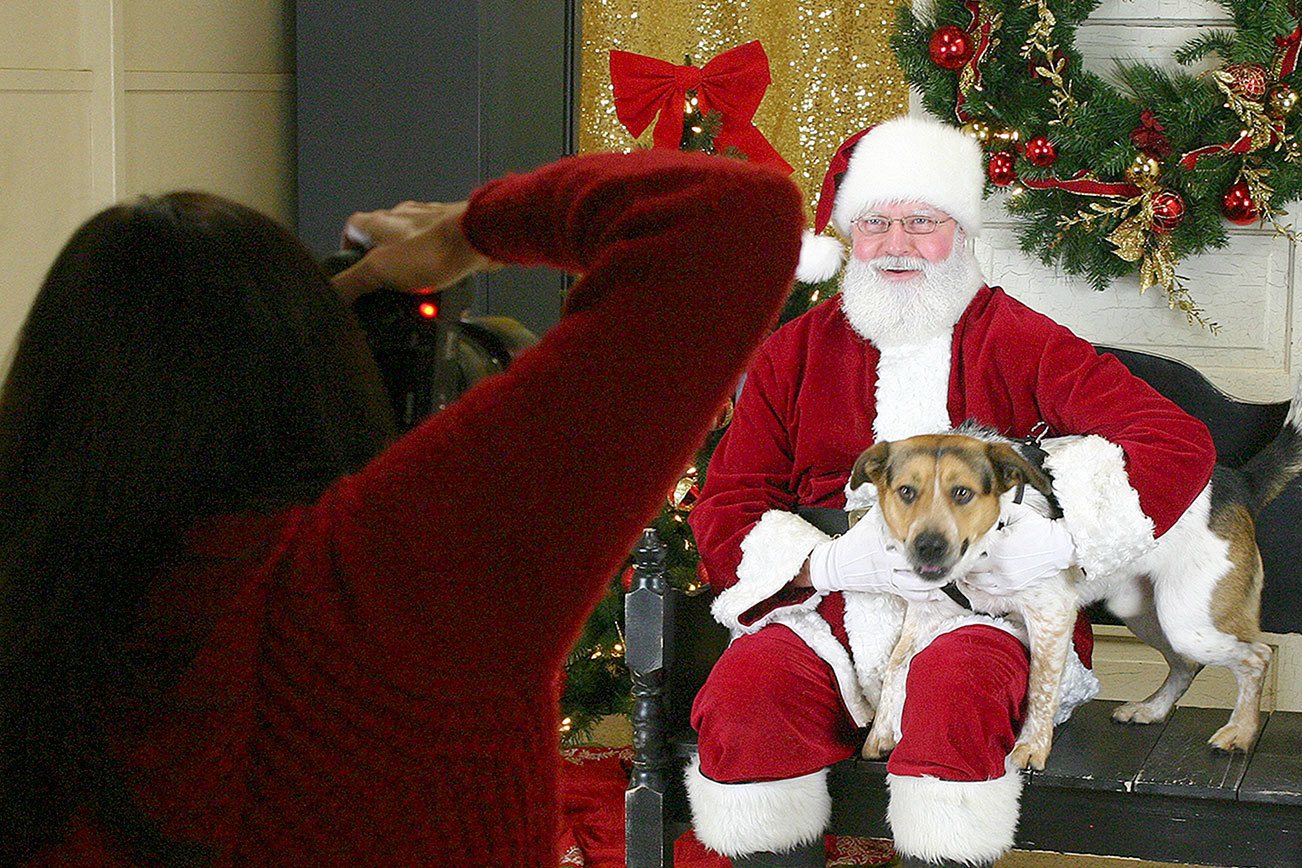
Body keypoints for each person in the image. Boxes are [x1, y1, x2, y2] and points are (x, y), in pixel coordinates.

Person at [0, 150, 805, 865]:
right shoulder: (396, 562)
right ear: (318, 362)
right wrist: (470, 229)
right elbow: (731, 219)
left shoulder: (33, 611)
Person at [685, 116, 1216, 868]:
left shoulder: (1020, 339)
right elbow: (728, 505)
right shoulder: (792, 352)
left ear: (961, 232)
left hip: (984, 615)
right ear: (847, 235)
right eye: (875, 222)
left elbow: (1178, 442)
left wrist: (1064, 539)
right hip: (825, 615)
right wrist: (828, 567)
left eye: (923, 221)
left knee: (956, 693)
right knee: (748, 698)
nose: (897, 243)